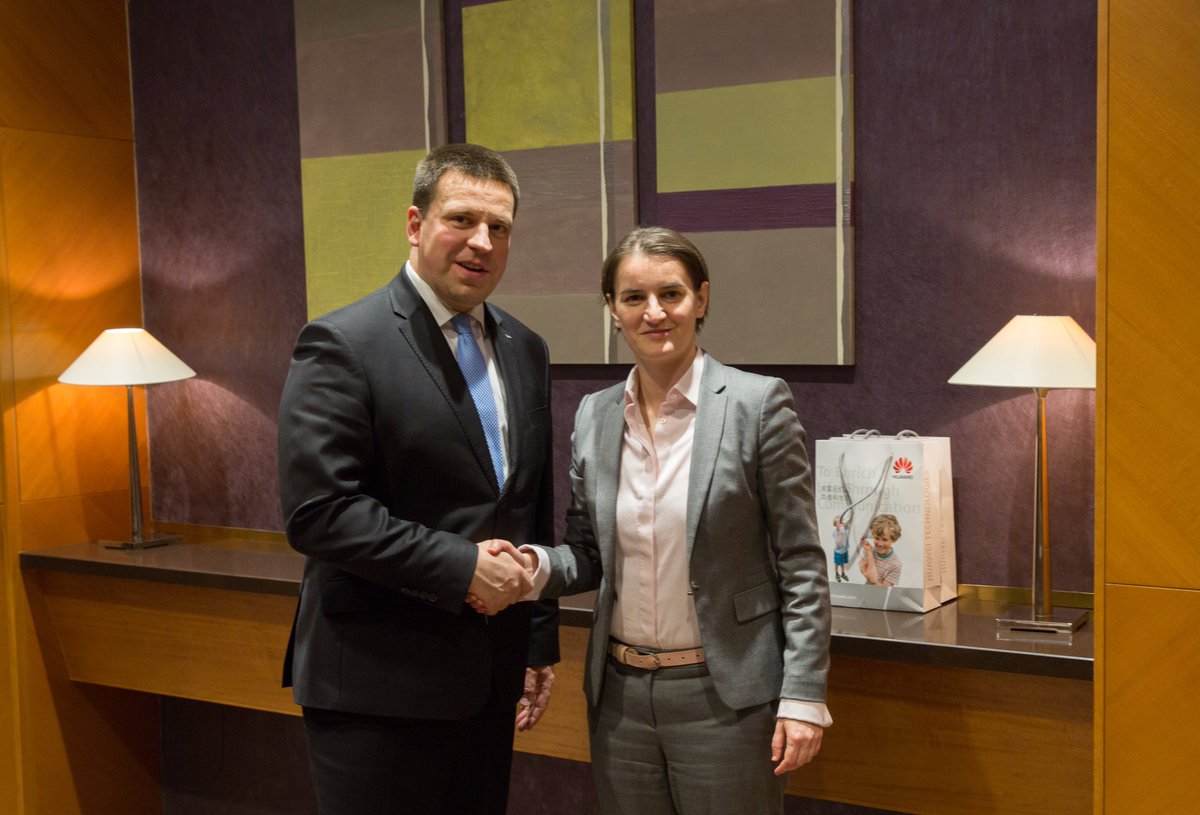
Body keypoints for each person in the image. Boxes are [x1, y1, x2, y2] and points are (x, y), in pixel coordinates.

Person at [478, 226, 832, 814]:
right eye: (634, 297)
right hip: (619, 699)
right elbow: (587, 552)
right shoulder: (594, 415)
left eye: (671, 294)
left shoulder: (758, 404)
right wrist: (531, 567)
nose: (655, 312)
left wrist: (803, 695)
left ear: (702, 298)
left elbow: (801, 562)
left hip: (727, 698)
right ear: (612, 310)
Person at [277, 143, 558, 815]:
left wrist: (537, 638)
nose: (482, 241)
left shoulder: (524, 348)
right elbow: (320, 512)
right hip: (376, 687)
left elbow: (529, 504)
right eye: (462, 219)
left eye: (499, 227)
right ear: (415, 223)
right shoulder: (343, 342)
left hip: (489, 682)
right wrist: (463, 566)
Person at [859, 513, 903, 587]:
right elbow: (866, 572)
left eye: (884, 539)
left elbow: (883, 591)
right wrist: (869, 552)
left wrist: (872, 579)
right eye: (877, 538)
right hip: (866, 590)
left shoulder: (896, 565)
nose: (880, 543)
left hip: (880, 594)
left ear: (894, 539)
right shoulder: (869, 551)